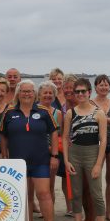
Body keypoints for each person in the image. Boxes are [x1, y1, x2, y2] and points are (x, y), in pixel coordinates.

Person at [0, 80, 59, 221]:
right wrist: (5, 156)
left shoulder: (44, 111)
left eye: (30, 91)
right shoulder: (9, 112)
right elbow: (3, 135)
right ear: (18, 93)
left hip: (40, 161)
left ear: (35, 94)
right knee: (24, 197)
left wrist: (54, 155)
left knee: (44, 194)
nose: (27, 94)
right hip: (17, 164)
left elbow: (54, 133)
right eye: (24, 91)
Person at [63, 78, 109, 221]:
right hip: (75, 154)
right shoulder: (71, 113)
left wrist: (98, 164)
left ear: (89, 92)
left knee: (96, 193)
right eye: (77, 91)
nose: (80, 94)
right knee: (76, 193)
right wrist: (66, 161)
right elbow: (65, 138)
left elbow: (103, 140)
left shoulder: (99, 113)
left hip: (92, 154)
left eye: (83, 91)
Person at [92, 75, 110, 221]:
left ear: (109, 87)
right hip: (95, 143)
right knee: (95, 179)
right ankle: (97, 212)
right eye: (100, 85)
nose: (103, 87)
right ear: (95, 87)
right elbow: (90, 120)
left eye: (106, 85)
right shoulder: (90, 103)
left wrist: (102, 118)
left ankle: (108, 212)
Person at [37, 81, 64, 213]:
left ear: (54, 96)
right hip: (36, 152)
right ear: (39, 95)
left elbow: (60, 134)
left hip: (52, 152)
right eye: (45, 93)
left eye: (50, 93)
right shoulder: (33, 110)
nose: (48, 95)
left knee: (50, 185)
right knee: (35, 185)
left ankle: (49, 212)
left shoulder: (57, 113)